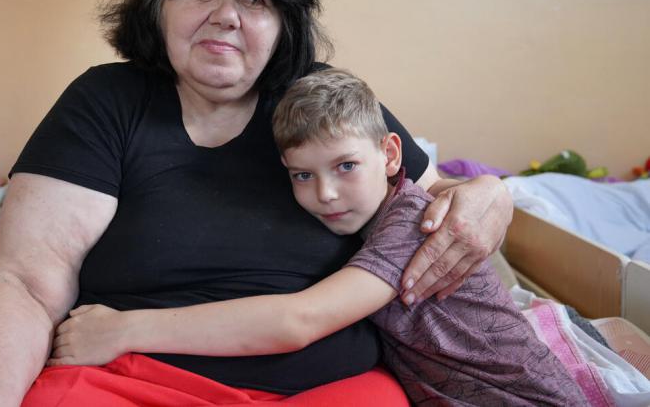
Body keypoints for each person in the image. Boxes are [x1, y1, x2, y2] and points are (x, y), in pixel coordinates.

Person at [0, 0, 513, 406]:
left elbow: (433, 199)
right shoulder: (105, 101)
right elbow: (23, 281)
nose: (226, 14)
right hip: (129, 382)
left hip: (331, 390)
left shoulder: (324, 102)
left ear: (283, 23)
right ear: (158, 5)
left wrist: (491, 195)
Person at [47, 69, 586, 405]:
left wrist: (123, 330)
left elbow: (296, 321)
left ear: (391, 155)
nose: (325, 194)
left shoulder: (410, 222)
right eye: (303, 175)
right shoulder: (357, 217)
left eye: (346, 166)